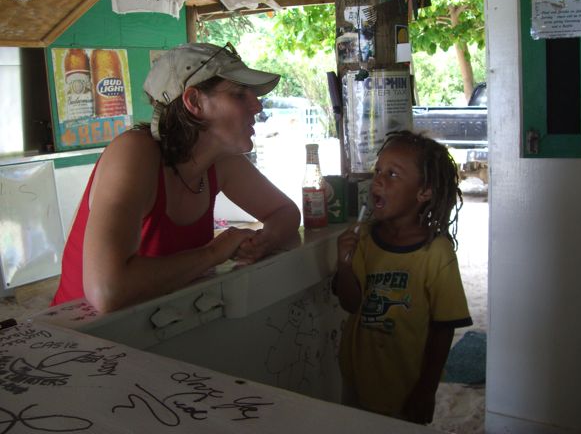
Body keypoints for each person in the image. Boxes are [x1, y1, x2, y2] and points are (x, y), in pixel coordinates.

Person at [52, 42, 301, 312]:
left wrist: (262, 243)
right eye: (240, 94)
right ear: (194, 101)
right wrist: (213, 253)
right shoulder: (134, 151)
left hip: (154, 326)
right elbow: (108, 291)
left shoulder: (222, 161)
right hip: (79, 341)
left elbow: (285, 212)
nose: (257, 106)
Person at [333, 130, 472, 424]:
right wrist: (344, 265)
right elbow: (351, 304)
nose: (378, 180)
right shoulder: (366, 239)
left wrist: (427, 390)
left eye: (393, 174)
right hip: (357, 379)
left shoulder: (436, 253)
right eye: (378, 170)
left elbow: (442, 329)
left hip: (406, 388)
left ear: (425, 192)